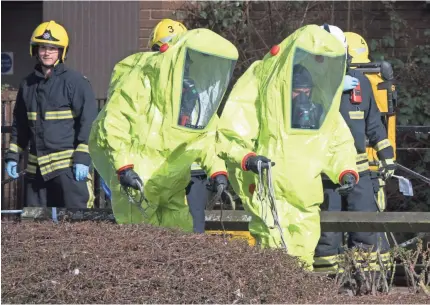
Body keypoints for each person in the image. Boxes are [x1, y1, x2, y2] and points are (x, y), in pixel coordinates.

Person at [215, 24, 359, 269]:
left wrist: (346, 171)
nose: (302, 96)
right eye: (297, 90)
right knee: (274, 250)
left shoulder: (319, 111)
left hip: (306, 195)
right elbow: (234, 130)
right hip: (270, 188)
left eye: (306, 90)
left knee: (303, 251)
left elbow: (338, 141)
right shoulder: (264, 88)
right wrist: (247, 158)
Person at [88, 28, 250, 230]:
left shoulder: (193, 98)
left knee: (180, 241)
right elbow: (115, 123)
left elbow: (208, 137)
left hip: (174, 183)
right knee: (142, 244)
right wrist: (124, 167)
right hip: (140, 180)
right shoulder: (142, 80)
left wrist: (217, 171)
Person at [314, 26, 394, 274]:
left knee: (366, 231)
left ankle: (365, 284)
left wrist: (387, 157)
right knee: (328, 236)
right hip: (327, 174)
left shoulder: (361, 84)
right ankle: (328, 286)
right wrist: (333, 89)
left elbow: (373, 125)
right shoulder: (312, 87)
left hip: (360, 171)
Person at [5, 20, 97, 208]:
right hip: (36, 173)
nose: (47, 53)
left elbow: (89, 124)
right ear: (35, 50)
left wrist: (82, 159)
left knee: (78, 228)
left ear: (62, 52)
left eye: (53, 48)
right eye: (43, 47)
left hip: (68, 171)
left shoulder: (76, 82)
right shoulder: (27, 85)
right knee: (36, 230)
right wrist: (13, 156)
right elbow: (20, 126)